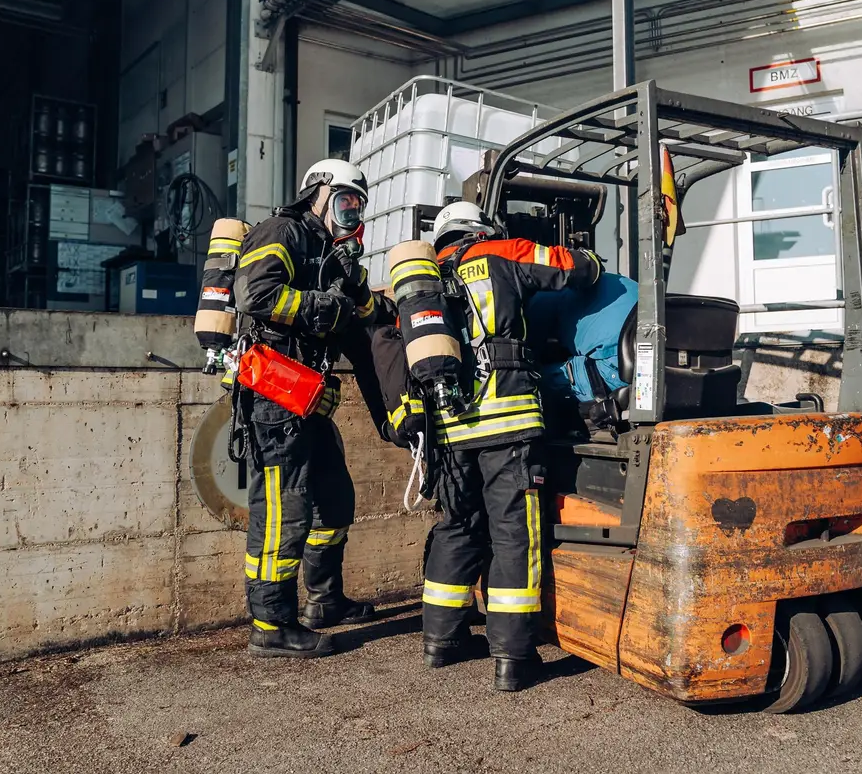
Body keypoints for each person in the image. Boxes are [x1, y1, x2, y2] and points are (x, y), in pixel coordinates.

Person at [419, 200, 602, 691]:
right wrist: (592, 260)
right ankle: (514, 656)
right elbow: (575, 269)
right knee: (513, 533)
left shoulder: (424, 283)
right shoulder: (501, 252)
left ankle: (442, 641)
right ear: (479, 228)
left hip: (452, 430)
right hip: (508, 422)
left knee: (457, 527)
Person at [233, 158, 383, 658]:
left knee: (334, 499)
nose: (351, 212)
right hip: (276, 393)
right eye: (345, 200)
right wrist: (325, 307)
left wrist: (371, 295)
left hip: (311, 397)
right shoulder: (283, 231)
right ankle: (271, 624)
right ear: (317, 193)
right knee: (282, 509)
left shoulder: (331, 252)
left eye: (358, 205)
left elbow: (364, 311)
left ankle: (325, 600)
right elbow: (255, 294)